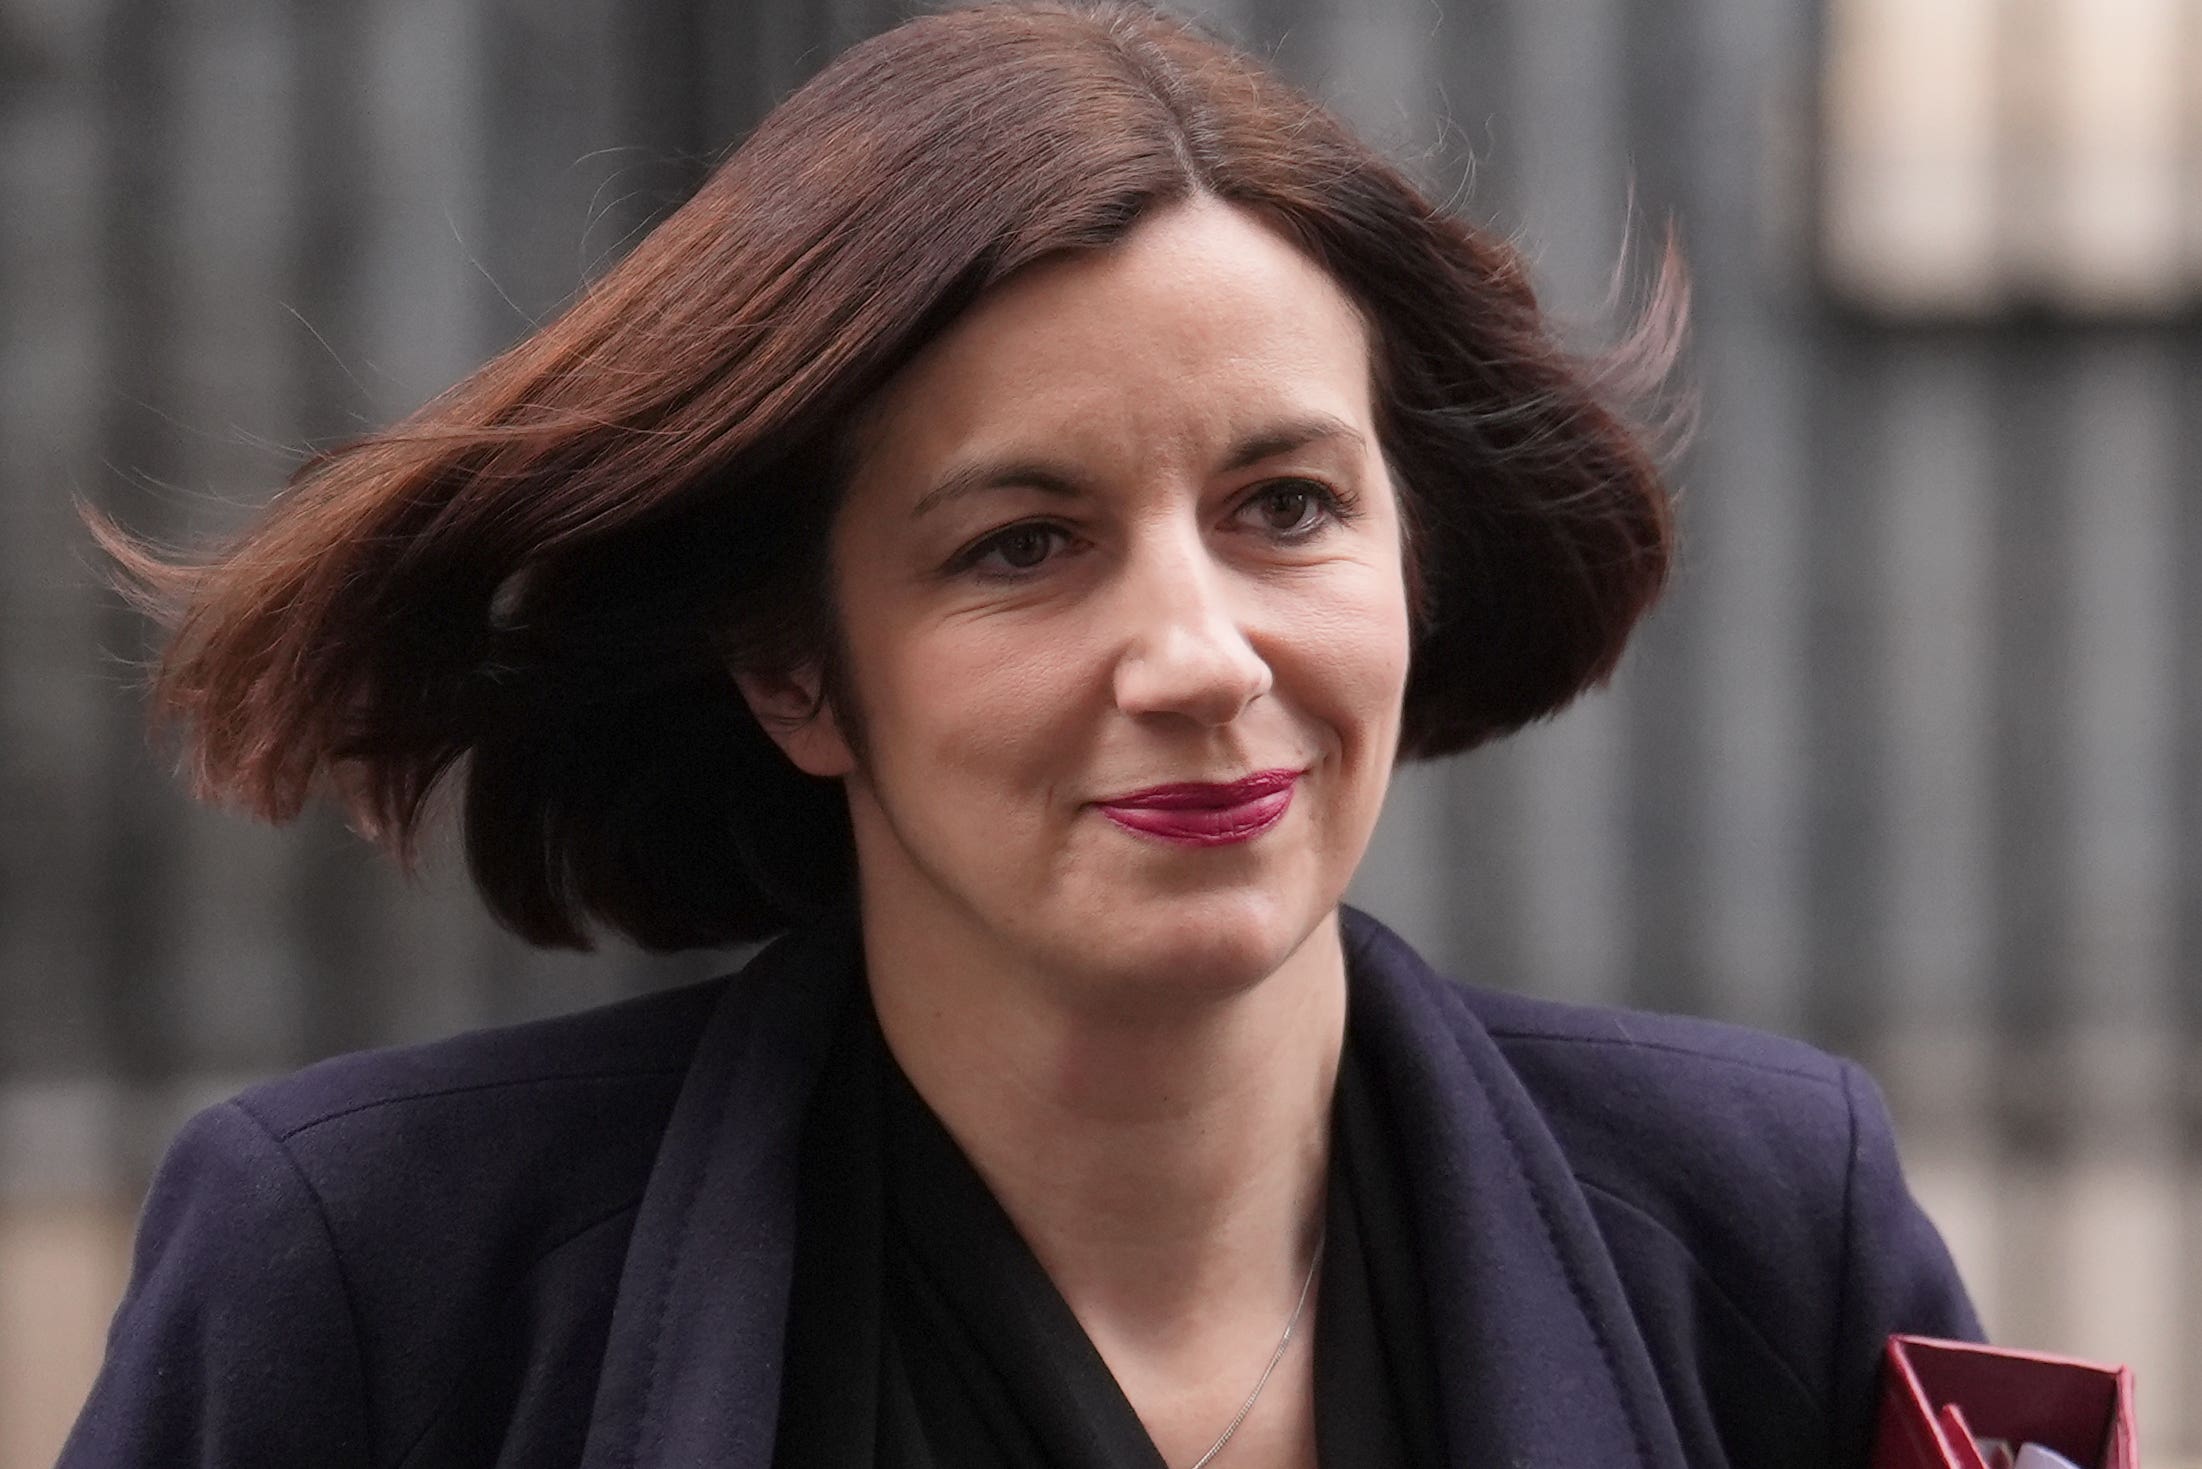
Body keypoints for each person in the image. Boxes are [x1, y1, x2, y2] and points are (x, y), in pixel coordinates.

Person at [61, 3, 1980, 1466]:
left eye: (1288, 504)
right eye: (1025, 543)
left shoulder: (1765, 1216)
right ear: (796, 669)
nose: (1199, 656)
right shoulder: (372, 1276)